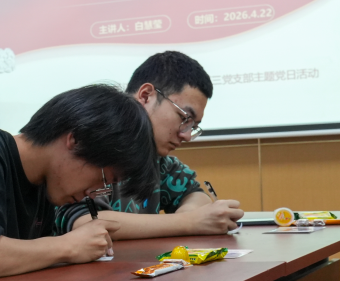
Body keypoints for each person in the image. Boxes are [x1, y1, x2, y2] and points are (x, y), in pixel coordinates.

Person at [0, 84, 156, 281]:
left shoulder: (46, 185)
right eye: (103, 179)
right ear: (76, 139)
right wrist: (69, 245)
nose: (93, 194)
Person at [54, 51, 243, 238]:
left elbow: (194, 194)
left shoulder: (158, 161)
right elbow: (85, 221)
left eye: (193, 126)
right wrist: (189, 222)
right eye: (184, 118)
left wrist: (192, 215)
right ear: (145, 96)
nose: (186, 135)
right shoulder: (95, 142)